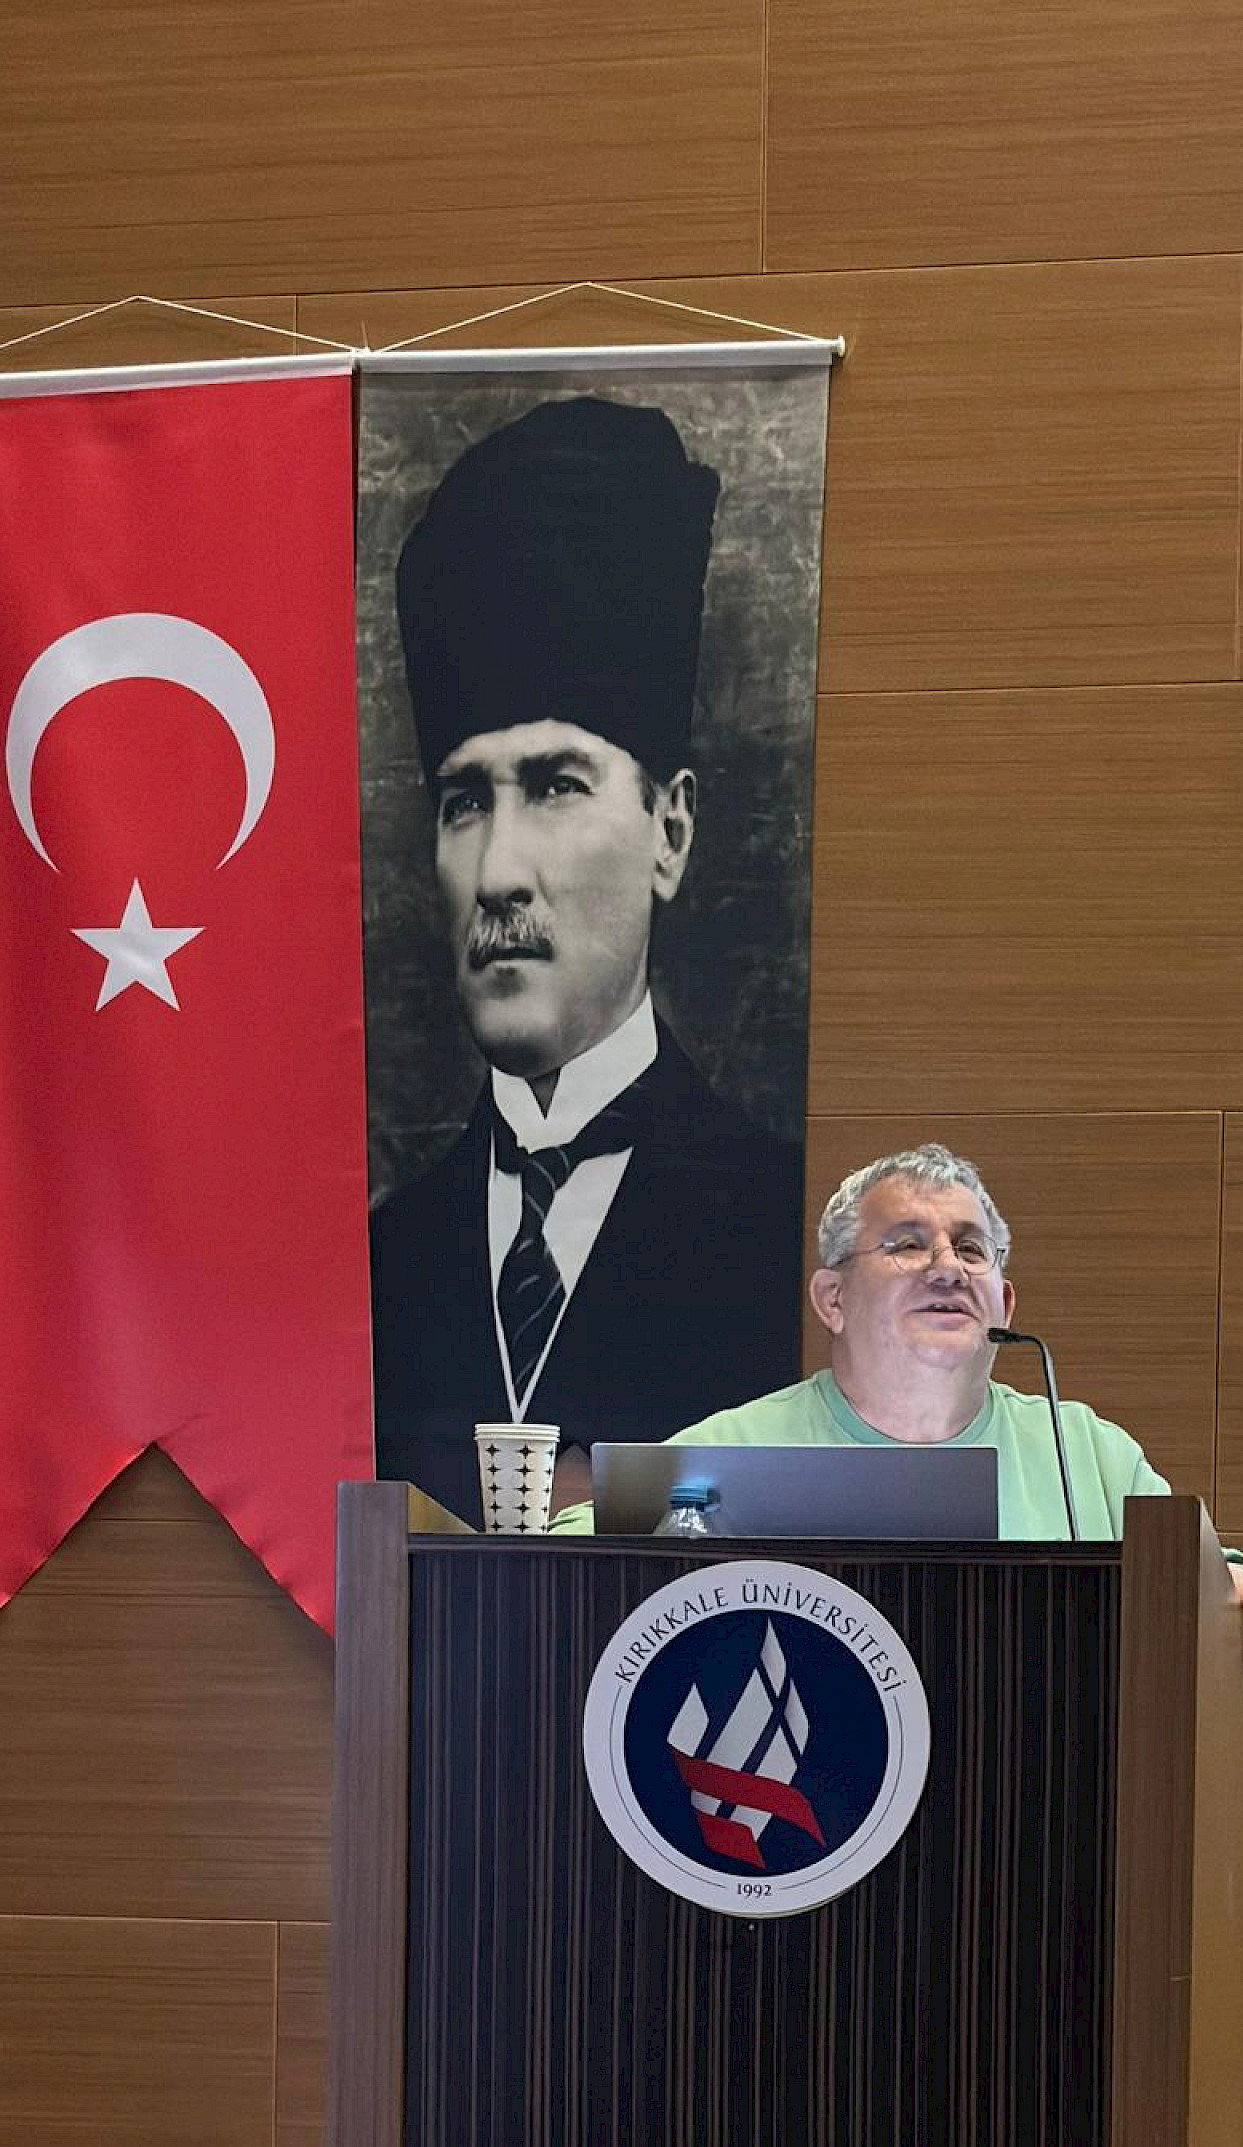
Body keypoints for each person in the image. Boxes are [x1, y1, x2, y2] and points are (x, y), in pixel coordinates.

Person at [370, 394, 804, 1521]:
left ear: (670, 831)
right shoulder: (378, 1264)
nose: (499, 871)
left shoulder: (783, 1234)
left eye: (557, 785)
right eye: (465, 801)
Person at [553, 1142, 1243, 1689]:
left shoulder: (1089, 1455)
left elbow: (1213, 1607)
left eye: (971, 1249)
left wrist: (1234, 1593)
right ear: (832, 1299)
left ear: (1004, 1304)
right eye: (908, 1244)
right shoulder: (735, 1449)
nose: (948, 1267)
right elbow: (565, 1569)